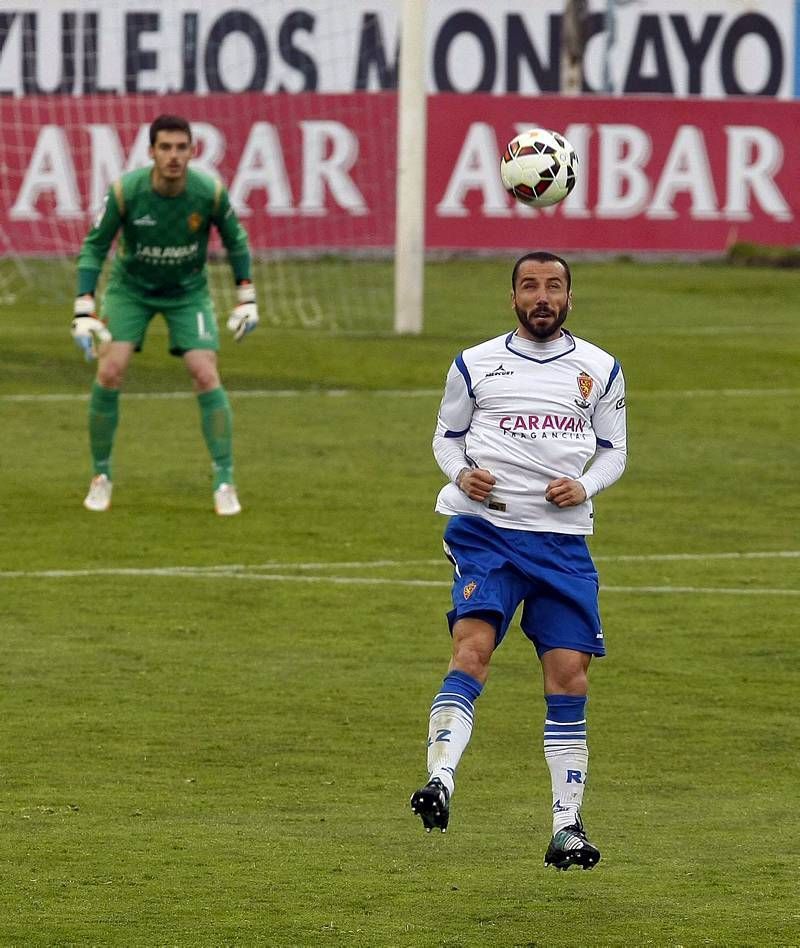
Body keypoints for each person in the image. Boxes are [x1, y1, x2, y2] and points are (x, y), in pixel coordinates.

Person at [410, 251, 627, 871]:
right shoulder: (474, 364)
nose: (542, 296)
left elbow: (614, 452)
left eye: (553, 287)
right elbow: (446, 437)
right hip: (489, 532)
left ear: (568, 299)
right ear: (512, 298)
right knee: (471, 649)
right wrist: (462, 474)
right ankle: (440, 780)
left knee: (569, 676)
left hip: (562, 542)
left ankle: (567, 825)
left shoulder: (600, 369)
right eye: (530, 286)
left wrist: (585, 486)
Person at [70, 113, 259, 516]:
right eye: (165, 147)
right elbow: (95, 245)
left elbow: (236, 241)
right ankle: (100, 476)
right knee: (109, 370)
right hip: (130, 290)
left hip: (187, 292)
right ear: (151, 151)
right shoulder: (126, 192)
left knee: (205, 372)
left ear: (192, 151)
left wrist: (247, 297)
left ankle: (224, 480)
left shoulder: (208, 193)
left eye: (181, 147)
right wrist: (83, 306)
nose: (174, 156)